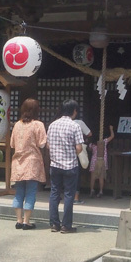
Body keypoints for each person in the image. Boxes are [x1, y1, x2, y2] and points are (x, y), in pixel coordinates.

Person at [9, 99, 47, 230]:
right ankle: (27, 221)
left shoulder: (17, 125)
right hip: (32, 161)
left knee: (19, 191)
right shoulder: (38, 125)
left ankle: (18, 220)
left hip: (18, 162)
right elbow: (42, 143)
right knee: (31, 192)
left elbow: (12, 144)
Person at [47, 99, 84, 233]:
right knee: (69, 194)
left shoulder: (52, 125)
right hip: (70, 165)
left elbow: (48, 145)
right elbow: (79, 148)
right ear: (74, 111)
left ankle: (54, 224)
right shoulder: (75, 126)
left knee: (54, 193)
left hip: (55, 164)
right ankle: (66, 225)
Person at [89, 125, 115, 198]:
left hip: (94, 161)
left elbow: (90, 149)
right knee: (101, 177)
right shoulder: (104, 142)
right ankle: (101, 191)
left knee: (93, 177)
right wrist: (111, 129)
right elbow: (112, 136)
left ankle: (91, 190)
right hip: (102, 160)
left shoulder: (92, 144)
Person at [73, 119, 92, 204]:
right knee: (76, 174)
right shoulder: (79, 123)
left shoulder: (58, 123)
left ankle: (61, 196)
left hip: (64, 153)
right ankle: (76, 198)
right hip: (77, 151)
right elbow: (89, 133)